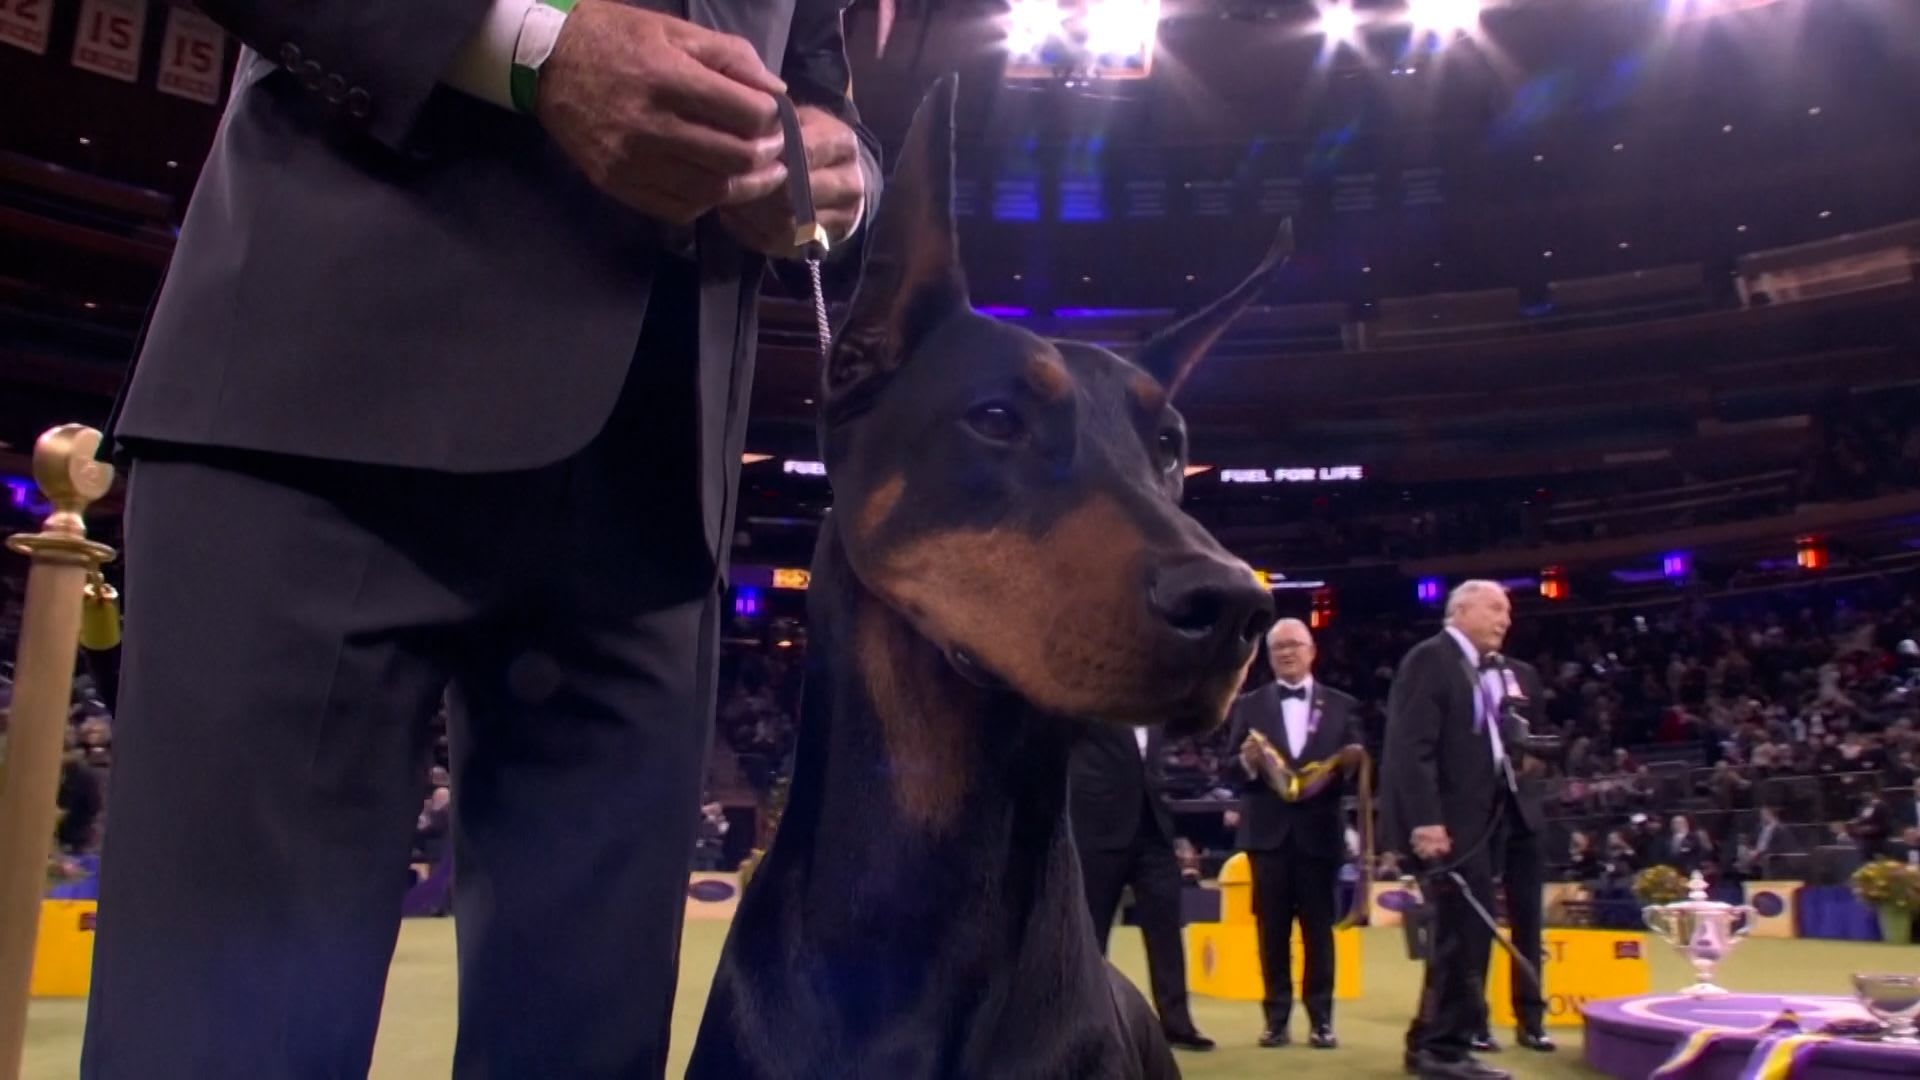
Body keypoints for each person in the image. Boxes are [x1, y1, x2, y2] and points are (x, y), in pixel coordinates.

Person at [79, 1, 880, 1076]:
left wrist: (839, 170)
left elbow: (815, 74)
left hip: (655, 482)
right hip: (322, 407)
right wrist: (531, 50)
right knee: (218, 1049)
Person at [1381, 580, 1518, 1080]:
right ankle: (1444, 1050)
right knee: (1460, 936)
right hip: (1447, 827)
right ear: (1460, 609)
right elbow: (1410, 747)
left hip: (1475, 823)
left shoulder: (1475, 667)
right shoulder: (1431, 659)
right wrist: (1425, 820)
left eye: (1507, 611)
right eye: (1495, 608)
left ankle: (1432, 1042)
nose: (1505, 619)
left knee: (1461, 934)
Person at [1224, 618, 1358, 1049]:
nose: (1286, 653)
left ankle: (1322, 1021)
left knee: (1319, 930)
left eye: (1294, 645)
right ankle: (1275, 1020)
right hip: (1268, 837)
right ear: (1268, 656)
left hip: (1320, 834)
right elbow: (1228, 768)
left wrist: (1353, 764)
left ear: (1312, 651)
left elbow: (1358, 767)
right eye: (1278, 647)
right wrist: (1246, 763)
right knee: (1272, 931)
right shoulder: (1248, 705)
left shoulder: (1343, 706)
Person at [1069, 724, 1217, 1052]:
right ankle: (1086, 1024)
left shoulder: (1155, 705)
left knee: (1167, 930)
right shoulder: (1090, 702)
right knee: (1091, 932)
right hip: (1098, 830)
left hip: (1154, 830)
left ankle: (1177, 1025)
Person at [1471, 655, 1556, 1054]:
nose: (1499, 626)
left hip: (1524, 813)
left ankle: (1532, 1020)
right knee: (1475, 922)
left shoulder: (1524, 672)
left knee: (1529, 921)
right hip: (1477, 812)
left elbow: (1542, 733)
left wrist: (1534, 759)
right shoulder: (1454, 670)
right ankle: (1474, 1022)